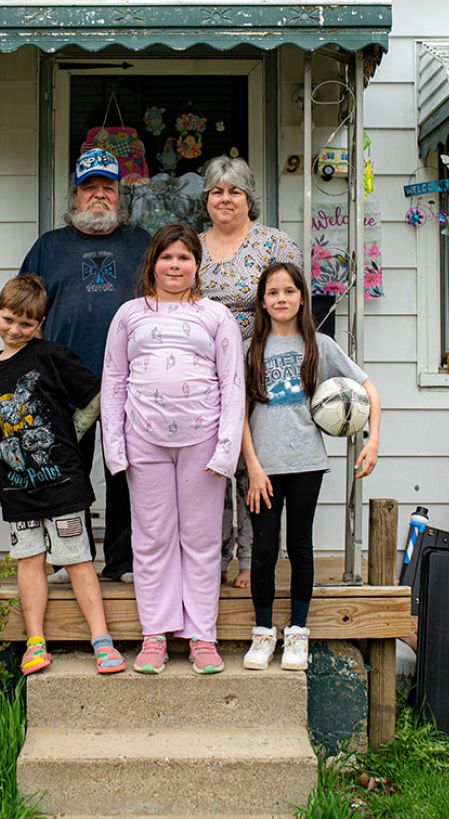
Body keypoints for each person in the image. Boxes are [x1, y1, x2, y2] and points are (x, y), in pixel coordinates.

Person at [101, 224, 244, 675]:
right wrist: (115, 449)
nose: (175, 265)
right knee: (153, 538)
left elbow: (233, 385)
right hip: (145, 440)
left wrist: (226, 449)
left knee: (201, 542)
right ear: (153, 263)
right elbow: (113, 382)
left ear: (197, 264)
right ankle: (155, 634)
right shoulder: (129, 315)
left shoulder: (216, 316)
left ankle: (202, 636)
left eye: (184, 257)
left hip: (202, 441)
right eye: (167, 257)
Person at [0, 274, 125, 677]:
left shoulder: (53, 357)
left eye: (26, 324)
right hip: (17, 489)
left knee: (77, 560)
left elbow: (97, 396)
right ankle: (35, 641)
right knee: (29, 561)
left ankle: (102, 640)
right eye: (8, 320)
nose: (15, 330)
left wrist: (70, 434)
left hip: (63, 484)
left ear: (40, 324)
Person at [239, 262, 381, 671]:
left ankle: (298, 631)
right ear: (262, 302)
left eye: (288, 291)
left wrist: (373, 440)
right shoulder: (252, 350)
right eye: (272, 293)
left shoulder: (320, 345)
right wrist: (252, 466)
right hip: (264, 468)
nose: (281, 299)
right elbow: (239, 413)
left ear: (301, 297)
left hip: (306, 463)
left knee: (300, 545)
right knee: (264, 549)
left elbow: (368, 387)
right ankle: (264, 632)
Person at [20, 148, 150, 584]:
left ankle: (123, 562)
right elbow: (25, 312)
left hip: (131, 379)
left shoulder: (142, 244)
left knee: (126, 470)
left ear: (120, 195)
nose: (98, 196)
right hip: (63, 383)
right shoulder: (48, 247)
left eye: (107, 188)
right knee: (66, 473)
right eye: (89, 188)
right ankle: (67, 560)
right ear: (74, 196)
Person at [197, 155, 302, 590]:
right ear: (206, 199)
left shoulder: (275, 245)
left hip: (260, 368)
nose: (225, 199)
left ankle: (251, 560)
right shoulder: (191, 246)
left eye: (234, 191)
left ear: (248, 198)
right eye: (217, 191)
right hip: (202, 372)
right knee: (212, 464)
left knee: (253, 465)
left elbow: (296, 308)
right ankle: (214, 555)